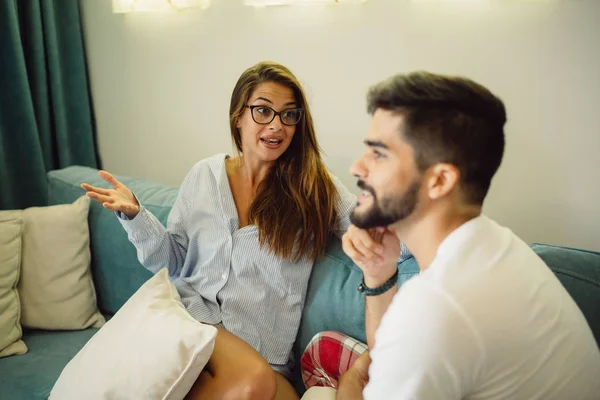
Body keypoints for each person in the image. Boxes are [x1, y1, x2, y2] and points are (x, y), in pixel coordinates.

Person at [301, 71, 600, 400]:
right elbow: (390, 352)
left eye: (379, 154)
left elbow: (414, 335)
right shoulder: (494, 246)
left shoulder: (438, 306)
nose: (357, 168)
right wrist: (378, 273)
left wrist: (348, 385)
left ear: (440, 181)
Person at [81, 61, 364, 400]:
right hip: (189, 324)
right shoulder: (204, 176)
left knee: (261, 383)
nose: (277, 125)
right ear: (238, 117)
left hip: (262, 357)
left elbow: (372, 230)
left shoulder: (313, 186)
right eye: (263, 110)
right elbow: (172, 261)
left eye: (289, 115)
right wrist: (136, 215)